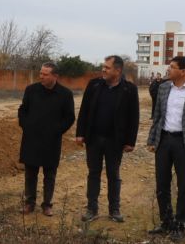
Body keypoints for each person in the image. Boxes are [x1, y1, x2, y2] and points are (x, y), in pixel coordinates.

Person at [146, 56, 185, 241]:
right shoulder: (164, 87)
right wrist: (153, 139)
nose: (168, 69)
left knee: (184, 187)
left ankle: (180, 224)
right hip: (164, 141)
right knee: (162, 185)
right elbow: (157, 116)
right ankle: (166, 222)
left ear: (183, 71)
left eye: (172, 67)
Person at [76, 55, 139, 223]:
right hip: (94, 139)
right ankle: (92, 209)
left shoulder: (129, 89)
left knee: (113, 174)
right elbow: (84, 111)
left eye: (107, 67)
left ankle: (114, 210)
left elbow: (134, 117)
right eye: (103, 66)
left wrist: (130, 141)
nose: (103, 70)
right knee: (93, 173)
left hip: (115, 141)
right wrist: (80, 133)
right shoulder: (94, 85)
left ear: (118, 70)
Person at [18, 62, 75, 216]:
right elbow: (22, 110)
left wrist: (56, 131)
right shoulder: (31, 90)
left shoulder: (65, 94)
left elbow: (70, 117)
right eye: (40, 73)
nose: (41, 76)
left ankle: (47, 205)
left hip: (51, 141)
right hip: (31, 139)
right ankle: (29, 203)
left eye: (45, 74)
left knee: (49, 175)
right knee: (30, 173)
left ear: (55, 76)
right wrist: (26, 126)